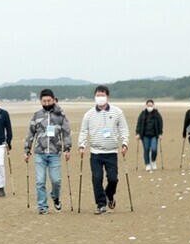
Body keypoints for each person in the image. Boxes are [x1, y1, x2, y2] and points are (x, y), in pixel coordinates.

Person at [77, 85, 129, 215]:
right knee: (97, 178)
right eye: (98, 95)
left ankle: (109, 195)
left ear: (107, 96)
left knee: (113, 179)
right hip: (96, 152)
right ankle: (101, 204)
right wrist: (81, 145)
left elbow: (123, 129)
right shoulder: (88, 115)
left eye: (102, 95)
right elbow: (83, 131)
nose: (100, 98)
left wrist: (125, 143)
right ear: (95, 97)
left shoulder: (117, 112)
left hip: (111, 152)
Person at [23, 89, 71, 214]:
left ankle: (55, 197)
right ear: (40, 101)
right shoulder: (37, 115)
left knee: (56, 180)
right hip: (40, 153)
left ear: (54, 100)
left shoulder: (61, 115)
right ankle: (42, 206)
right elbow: (30, 133)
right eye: (44, 101)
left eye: (49, 100)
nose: (46, 102)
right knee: (40, 181)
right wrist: (27, 149)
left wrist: (67, 148)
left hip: (55, 153)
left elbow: (66, 133)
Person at [135, 99, 163, 172]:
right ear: (146, 105)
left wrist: (160, 134)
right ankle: (147, 164)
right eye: (148, 105)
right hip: (145, 135)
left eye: (151, 105)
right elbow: (139, 124)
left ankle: (153, 161)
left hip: (154, 135)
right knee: (146, 150)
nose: (150, 107)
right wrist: (137, 133)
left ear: (153, 105)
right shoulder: (143, 114)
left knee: (154, 149)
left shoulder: (157, 114)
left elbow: (160, 124)